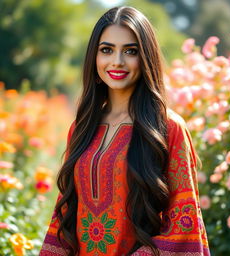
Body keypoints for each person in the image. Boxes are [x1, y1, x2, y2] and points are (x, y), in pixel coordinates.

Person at [40, 6, 210, 256]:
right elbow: (65, 215)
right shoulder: (82, 126)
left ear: (146, 58)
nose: (117, 61)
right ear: (94, 58)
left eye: (130, 51)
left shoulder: (168, 128)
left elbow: (184, 224)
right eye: (106, 50)